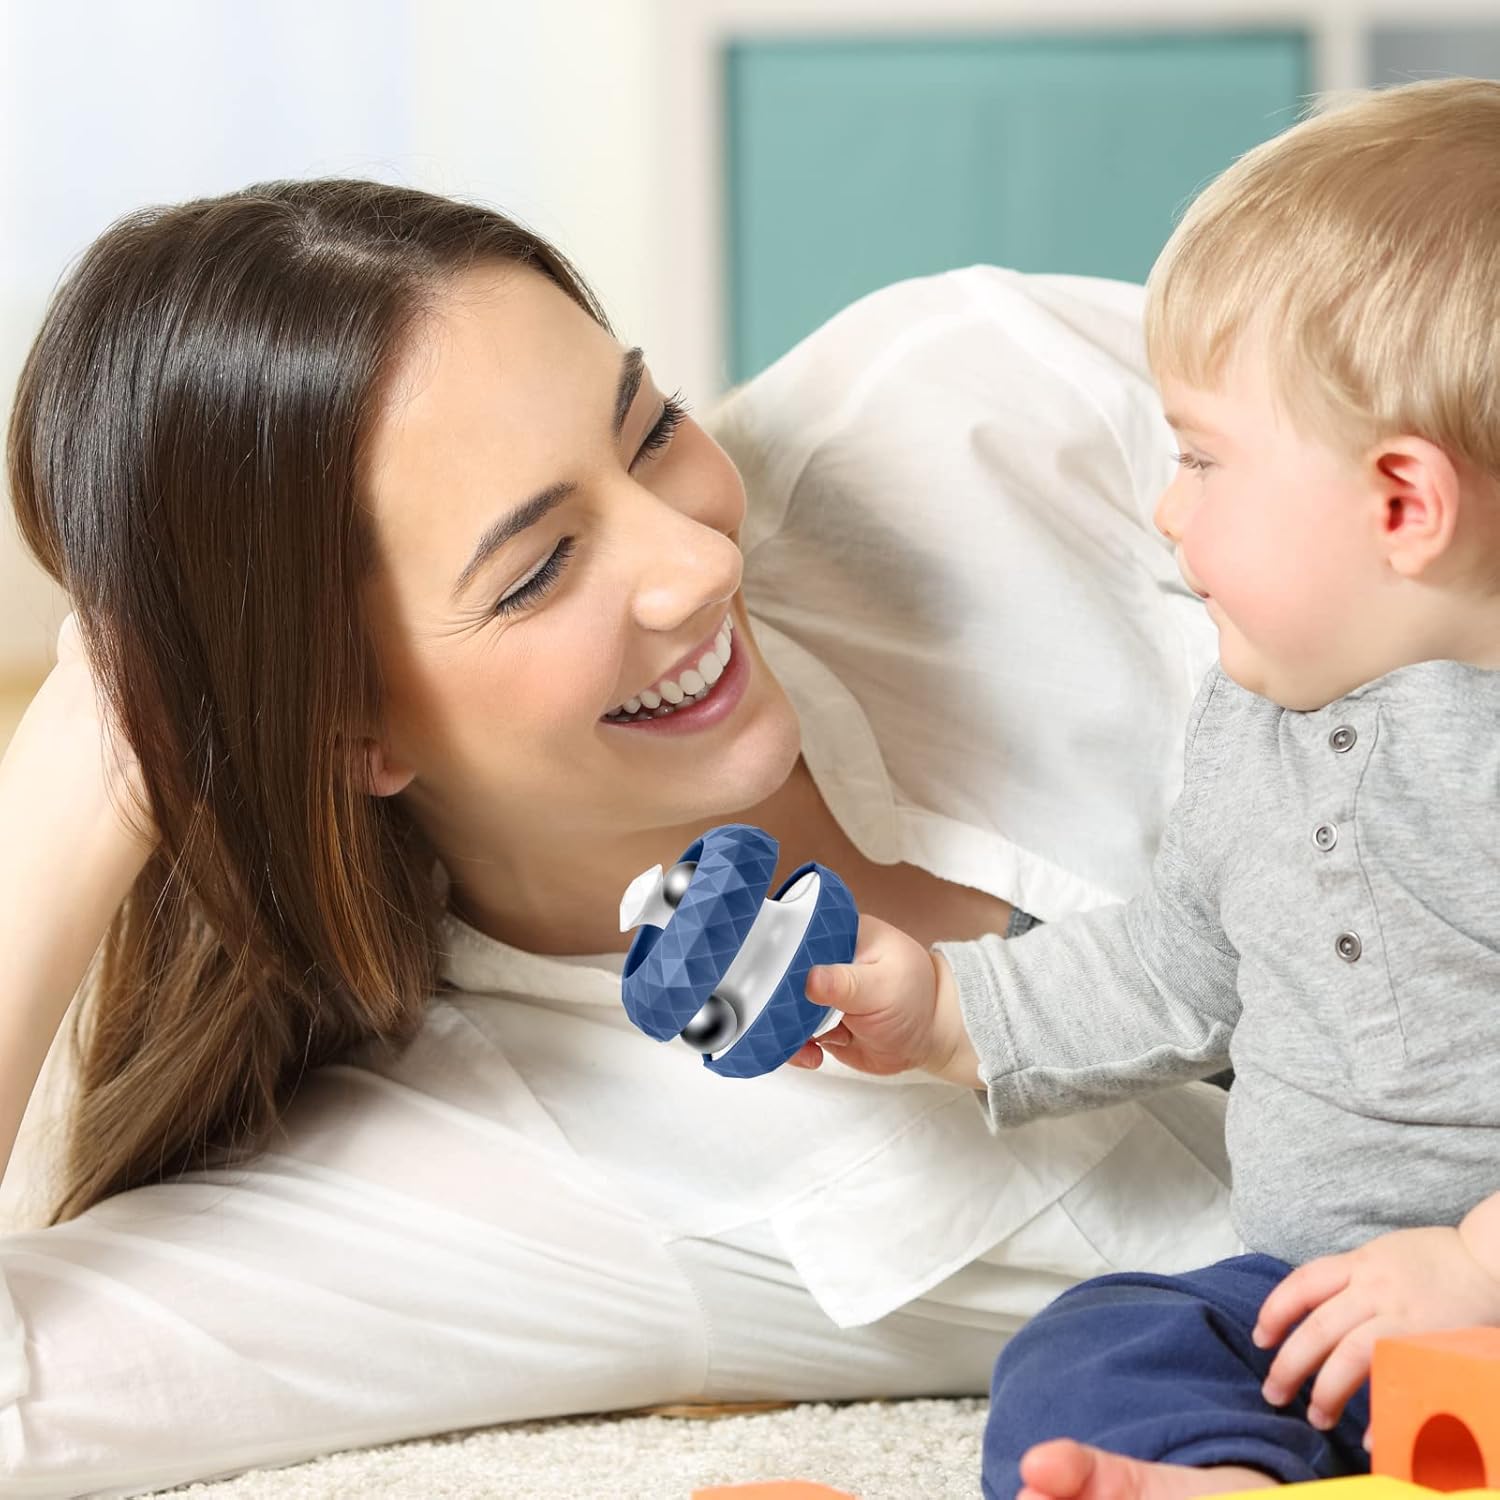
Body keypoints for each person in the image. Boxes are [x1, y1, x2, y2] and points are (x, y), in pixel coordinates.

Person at [0, 177, 1239, 1496]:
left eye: (650, 432)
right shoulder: (496, 1168)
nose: (696, 565)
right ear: (345, 734)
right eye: (536, 570)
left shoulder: (972, 400)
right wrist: (86, 764)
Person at [791, 78, 1500, 1500]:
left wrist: (1474, 1268)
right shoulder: (1250, 722)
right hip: (1306, 1303)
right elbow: (1175, 962)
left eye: (1202, 458)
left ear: (1401, 504)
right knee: (1105, 1337)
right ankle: (1214, 1476)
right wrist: (945, 1012)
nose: (1169, 514)